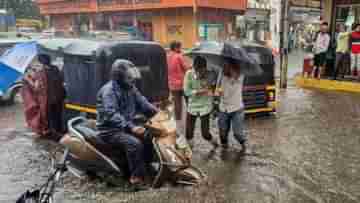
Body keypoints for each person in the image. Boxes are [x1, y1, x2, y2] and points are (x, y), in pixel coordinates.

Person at [96, 59, 158, 189]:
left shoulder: (130, 88)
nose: (131, 80)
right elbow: (112, 114)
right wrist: (132, 127)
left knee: (150, 136)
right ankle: (136, 179)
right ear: (119, 77)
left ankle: (145, 167)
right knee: (134, 144)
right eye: (128, 77)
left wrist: (159, 113)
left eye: (131, 77)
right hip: (110, 130)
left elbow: (143, 103)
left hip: (126, 125)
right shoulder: (109, 92)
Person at [183, 56, 218, 148]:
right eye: (198, 70)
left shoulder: (210, 74)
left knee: (205, 133)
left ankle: (215, 143)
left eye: (202, 70)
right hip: (192, 106)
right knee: (188, 133)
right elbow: (186, 91)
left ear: (205, 68)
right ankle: (190, 150)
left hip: (205, 106)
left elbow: (213, 89)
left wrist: (211, 88)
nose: (200, 72)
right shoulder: (189, 74)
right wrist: (198, 91)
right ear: (194, 68)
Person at [216, 58, 247, 151]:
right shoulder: (221, 74)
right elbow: (217, 89)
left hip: (237, 108)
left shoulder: (240, 75)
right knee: (222, 133)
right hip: (223, 108)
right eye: (223, 66)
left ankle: (244, 145)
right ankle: (224, 151)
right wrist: (218, 92)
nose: (223, 68)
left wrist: (232, 75)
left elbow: (235, 78)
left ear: (231, 67)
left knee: (237, 134)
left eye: (225, 67)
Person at [38, 54, 66, 136]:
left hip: (53, 98)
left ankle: (56, 130)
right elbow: (60, 80)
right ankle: (56, 130)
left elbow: (60, 80)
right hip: (54, 97)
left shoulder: (44, 71)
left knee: (54, 115)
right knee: (56, 115)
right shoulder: (51, 69)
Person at [167, 41, 189, 131]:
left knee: (177, 103)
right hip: (182, 83)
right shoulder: (179, 56)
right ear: (176, 48)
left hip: (172, 84)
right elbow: (186, 68)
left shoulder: (167, 56)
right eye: (180, 47)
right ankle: (191, 118)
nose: (181, 49)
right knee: (189, 101)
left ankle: (178, 122)